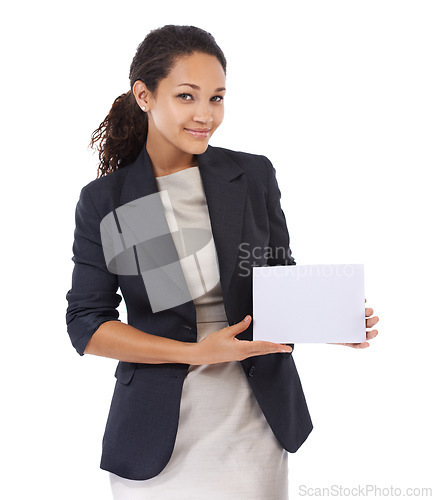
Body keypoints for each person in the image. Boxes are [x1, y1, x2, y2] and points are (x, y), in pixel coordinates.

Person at [65, 24, 379, 500]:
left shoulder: (250, 174)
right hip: (157, 429)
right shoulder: (108, 200)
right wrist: (196, 353)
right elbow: (86, 324)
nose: (205, 115)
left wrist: (323, 319)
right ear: (144, 96)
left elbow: (277, 280)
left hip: (253, 417)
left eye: (216, 98)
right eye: (187, 96)